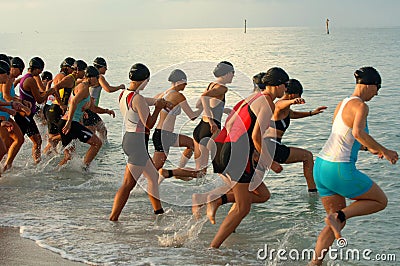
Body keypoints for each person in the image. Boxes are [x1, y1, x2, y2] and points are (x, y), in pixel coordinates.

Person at [309, 67, 398, 265]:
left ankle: (314, 263)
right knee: (380, 201)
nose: (377, 93)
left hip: (322, 166)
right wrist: (385, 151)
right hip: (339, 169)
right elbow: (358, 133)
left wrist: (369, 149)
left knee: (335, 222)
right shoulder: (362, 106)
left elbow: (344, 136)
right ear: (369, 85)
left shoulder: (342, 103)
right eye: (378, 88)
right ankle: (338, 216)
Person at [205, 67, 289, 248]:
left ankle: (219, 201)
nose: (285, 90)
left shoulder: (252, 97)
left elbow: (232, 122)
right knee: (244, 207)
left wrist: (253, 153)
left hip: (225, 147)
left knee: (262, 195)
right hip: (237, 154)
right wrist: (269, 161)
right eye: (285, 86)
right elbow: (256, 136)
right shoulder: (268, 103)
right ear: (278, 84)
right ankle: (213, 248)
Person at [109, 63, 172, 221]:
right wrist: (158, 108)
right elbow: (149, 123)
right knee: (128, 185)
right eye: (147, 80)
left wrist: (161, 102)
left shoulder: (124, 94)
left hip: (130, 139)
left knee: (152, 177)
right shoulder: (138, 98)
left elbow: (145, 101)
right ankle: (113, 218)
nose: (148, 83)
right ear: (143, 80)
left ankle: (159, 213)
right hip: (137, 144)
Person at [160, 62, 234, 179]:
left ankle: (171, 173)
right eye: (232, 73)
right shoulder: (222, 88)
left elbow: (199, 103)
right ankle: (229, 192)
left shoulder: (211, 85)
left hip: (200, 128)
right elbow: (204, 98)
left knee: (200, 172)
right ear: (227, 73)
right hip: (211, 129)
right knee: (223, 164)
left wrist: (222, 110)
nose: (233, 76)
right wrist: (211, 121)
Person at [264, 78, 326, 193]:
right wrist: (292, 101)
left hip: (271, 145)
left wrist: (312, 113)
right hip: (272, 146)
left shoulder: (286, 110)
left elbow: (293, 114)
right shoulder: (279, 106)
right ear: (293, 94)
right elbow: (280, 104)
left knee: (252, 179)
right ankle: (313, 192)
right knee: (307, 156)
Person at [152, 69, 202, 173]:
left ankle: (179, 170)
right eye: (185, 83)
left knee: (192, 144)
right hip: (163, 135)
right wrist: (203, 108)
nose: (186, 85)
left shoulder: (163, 94)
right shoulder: (179, 96)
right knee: (155, 169)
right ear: (179, 82)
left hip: (163, 134)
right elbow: (192, 116)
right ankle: (138, 186)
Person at [56, 65, 103, 168]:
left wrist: (106, 111)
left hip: (65, 122)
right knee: (97, 143)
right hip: (70, 123)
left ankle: (54, 173)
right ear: (90, 77)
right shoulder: (85, 87)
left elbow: (88, 106)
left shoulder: (81, 85)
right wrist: (69, 122)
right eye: (97, 78)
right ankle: (84, 168)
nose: (98, 81)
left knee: (69, 157)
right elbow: (73, 102)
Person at [14, 57, 56, 163]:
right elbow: (40, 100)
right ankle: (8, 163)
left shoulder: (24, 78)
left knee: (36, 140)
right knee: (19, 141)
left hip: (27, 115)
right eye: (41, 69)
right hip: (25, 115)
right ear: (37, 69)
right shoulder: (31, 80)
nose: (41, 72)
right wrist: (49, 92)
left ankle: (36, 163)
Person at [43, 59, 85, 155]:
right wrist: (61, 104)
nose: (85, 73)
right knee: (70, 134)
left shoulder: (71, 79)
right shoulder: (67, 78)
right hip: (56, 109)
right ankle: (67, 162)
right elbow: (54, 88)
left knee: (53, 144)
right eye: (84, 71)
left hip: (52, 110)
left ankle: (40, 161)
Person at [82, 57, 124, 143]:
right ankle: (97, 147)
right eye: (105, 67)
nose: (106, 69)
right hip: (90, 108)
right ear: (101, 67)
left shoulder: (88, 76)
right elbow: (108, 89)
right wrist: (120, 87)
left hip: (89, 108)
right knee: (97, 131)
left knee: (100, 130)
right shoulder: (99, 77)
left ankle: (99, 146)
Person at [0, 56, 31, 171]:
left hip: (6, 114)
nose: (21, 72)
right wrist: (20, 105)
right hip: (2, 116)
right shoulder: (6, 79)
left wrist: (18, 103)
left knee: (18, 139)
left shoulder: (9, 79)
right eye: (20, 69)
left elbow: (9, 97)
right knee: (4, 146)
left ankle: (7, 167)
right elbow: (6, 96)